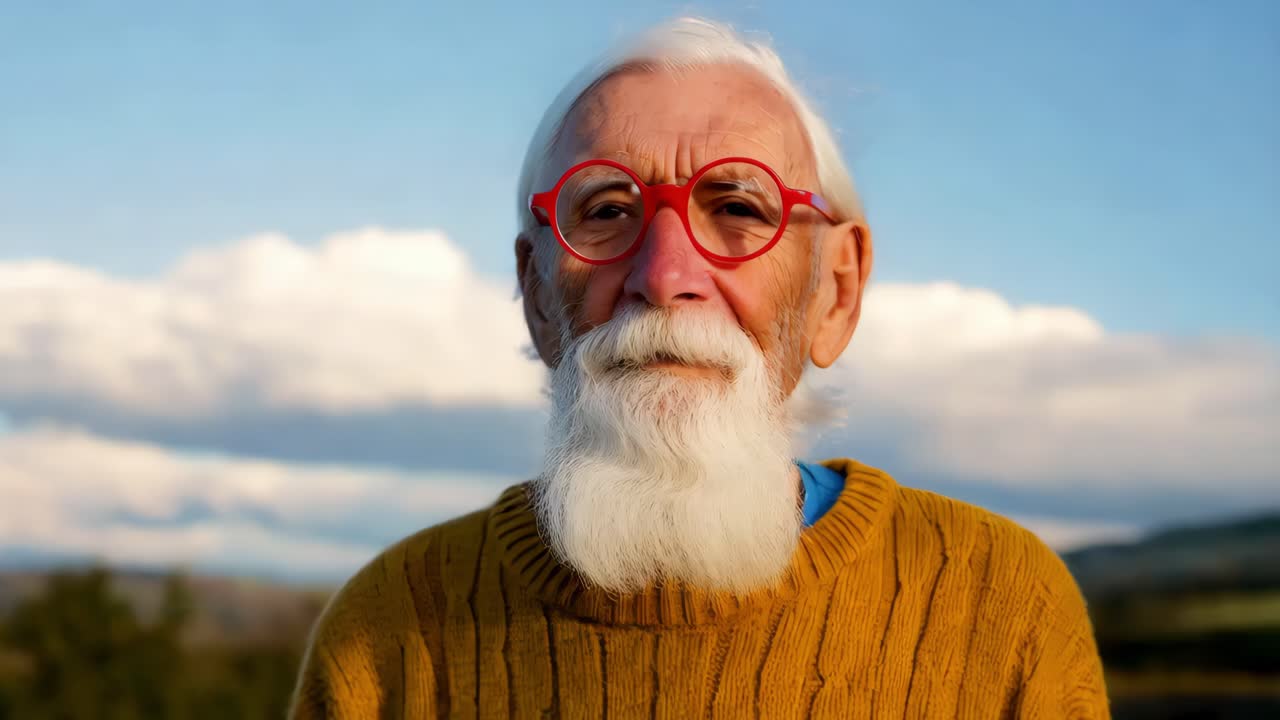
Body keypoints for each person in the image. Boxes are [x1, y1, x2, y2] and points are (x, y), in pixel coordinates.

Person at [290, 17, 1109, 719]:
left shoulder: (1000, 604)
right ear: (538, 297)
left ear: (834, 292)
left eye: (739, 208)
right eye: (607, 211)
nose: (664, 273)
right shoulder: (389, 628)